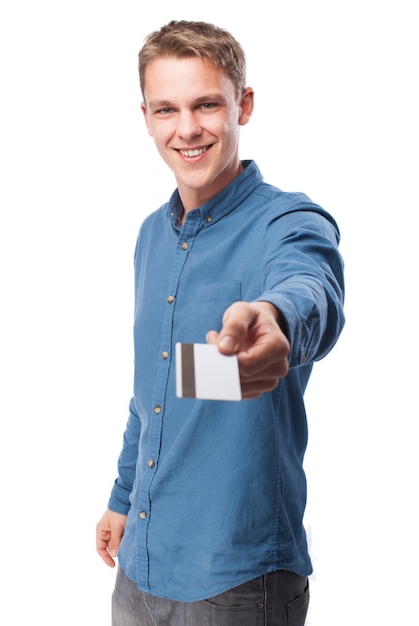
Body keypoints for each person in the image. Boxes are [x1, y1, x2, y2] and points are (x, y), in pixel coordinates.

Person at [96, 19, 345, 626]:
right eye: (166, 109)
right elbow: (156, 389)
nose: (186, 129)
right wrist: (123, 498)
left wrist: (276, 319)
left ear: (244, 105)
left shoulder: (287, 222)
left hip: (239, 583)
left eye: (206, 104)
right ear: (147, 116)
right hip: (141, 568)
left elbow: (310, 286)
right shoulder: (152, 236)